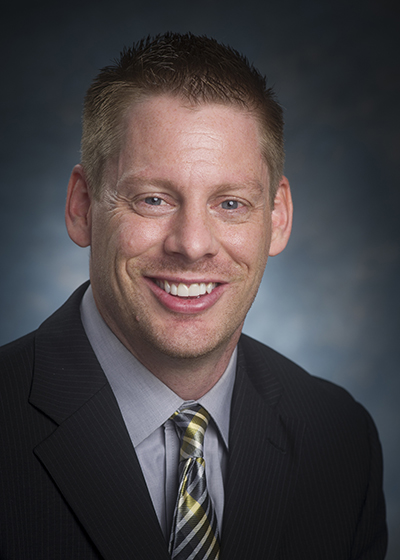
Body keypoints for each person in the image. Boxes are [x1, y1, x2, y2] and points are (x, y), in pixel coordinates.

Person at [0, 33, 387, 560]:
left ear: (276, 218)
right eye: (154, 199)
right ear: (82, 205)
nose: (193, 245)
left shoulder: (340, 439)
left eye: (230, 203)